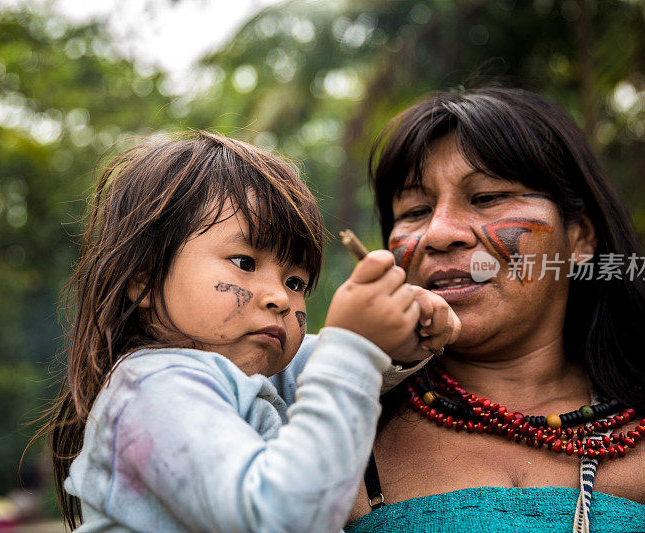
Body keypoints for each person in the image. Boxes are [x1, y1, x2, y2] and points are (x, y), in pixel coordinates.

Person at [42, 131, 459, 532]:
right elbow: (279, 518)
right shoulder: (151, 391)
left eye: (296, 283)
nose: (279, 296)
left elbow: (327, 365)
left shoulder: (254, 373)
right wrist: (355, 349)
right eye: (244, 262)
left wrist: (400, 339)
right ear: (144, 276)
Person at [336, 86, 645, 532]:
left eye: (486, 197)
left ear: (579, 238)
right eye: (416, 210)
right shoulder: (333, 431)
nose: (440, 233)